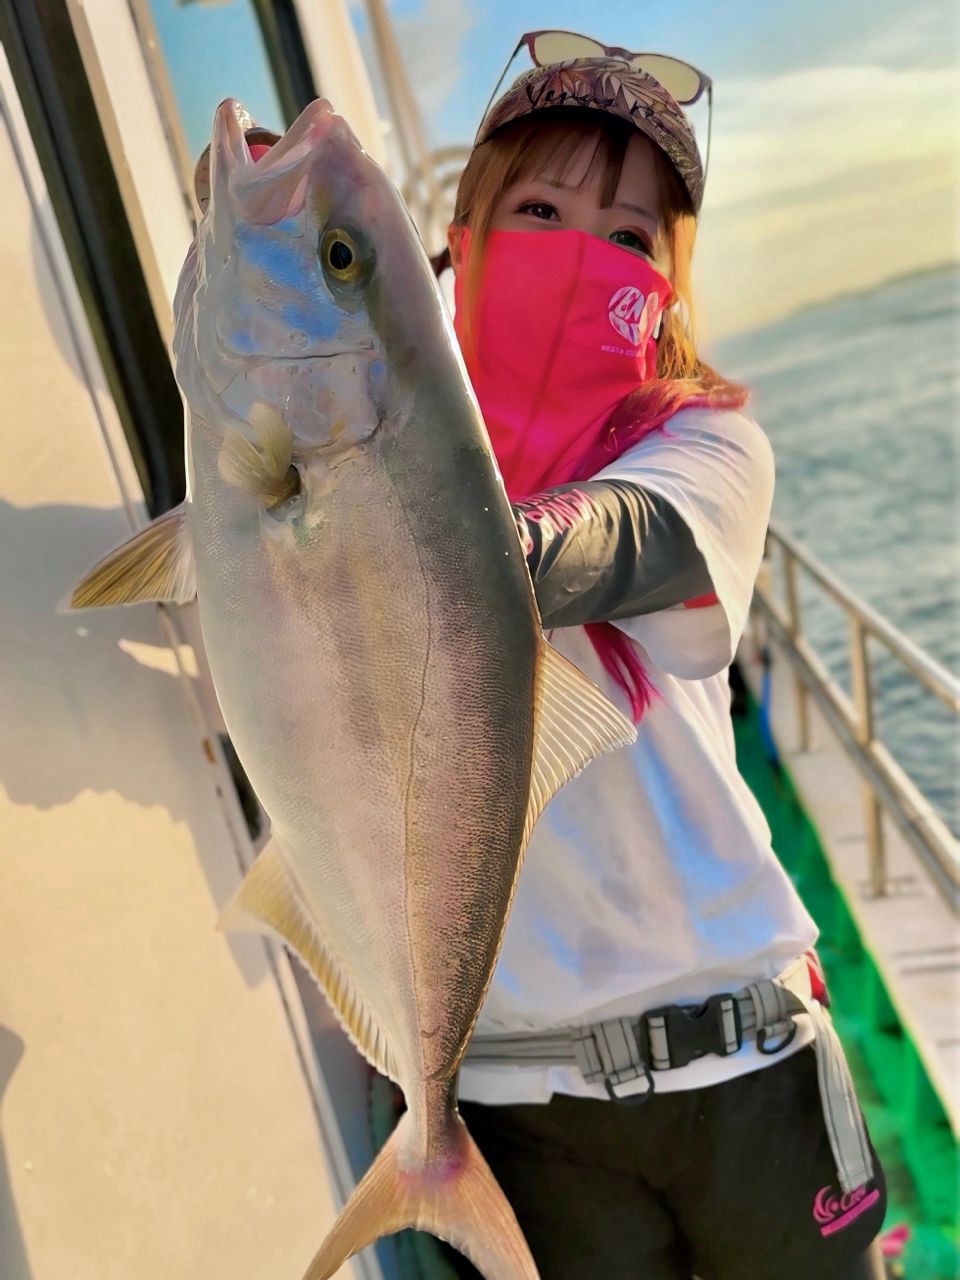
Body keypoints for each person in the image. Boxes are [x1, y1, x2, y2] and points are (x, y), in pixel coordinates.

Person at [429, 33, 888, 1280]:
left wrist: (397, 512)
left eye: (631, 236)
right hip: (521, 1104)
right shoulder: (380, 434)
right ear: (463, 238)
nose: (583, 252)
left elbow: (628, 539)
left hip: (754, 1064)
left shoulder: (704, 445)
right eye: (540, 210)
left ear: (670, 288)